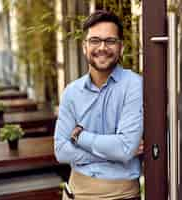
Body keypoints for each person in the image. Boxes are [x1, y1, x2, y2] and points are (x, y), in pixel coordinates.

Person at [54, 10, 143, 200]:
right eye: (95, 40)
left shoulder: (134, 85)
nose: (102, 47)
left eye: (110, 41)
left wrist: (80, 136)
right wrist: (113, 152)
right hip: (76, 193)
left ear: (121, 47)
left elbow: (126, 148)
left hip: (122, 195)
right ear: (85, 46)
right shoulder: (71, 92)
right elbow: (61, 151)